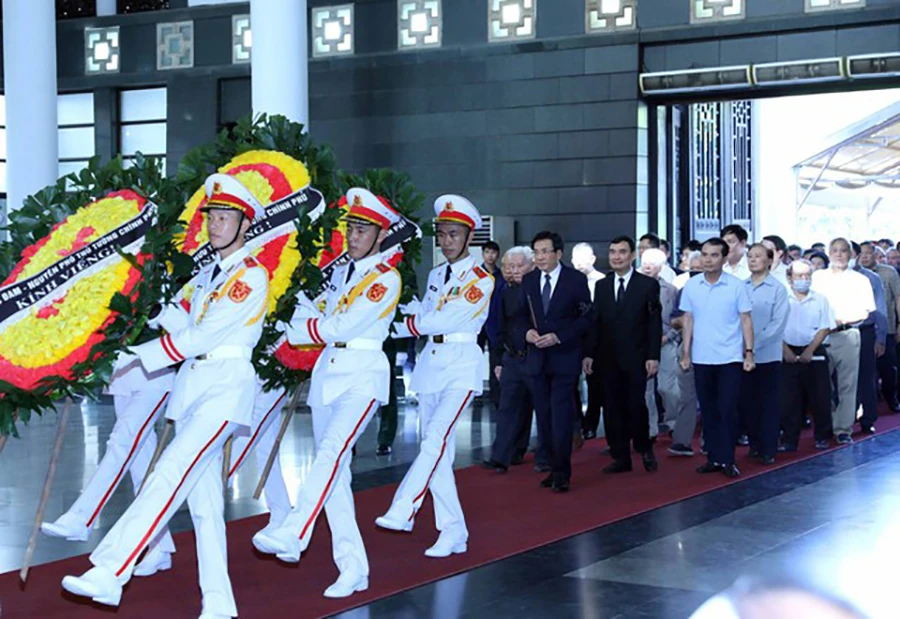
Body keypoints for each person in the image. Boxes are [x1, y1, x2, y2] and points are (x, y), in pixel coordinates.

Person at [61, 173, 270, 619]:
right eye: (211, 215)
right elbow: (183, 321)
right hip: (197, 389)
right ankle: (219, 604)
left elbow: (203, 335)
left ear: (245, 223)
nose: (214, 224)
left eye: (225, 216)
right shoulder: (212, 275)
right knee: (205, 508)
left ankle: (112, 570)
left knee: (169, 472)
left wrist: (133, 357)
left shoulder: (249, 276)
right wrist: (147, 303)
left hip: (223, 390)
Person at [252, 188, 402, 598]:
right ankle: (353, 567)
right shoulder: (341, 273)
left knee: (329, 453)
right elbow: (321, 314)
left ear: (379, 234)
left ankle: (295, 531)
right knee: (334, 476)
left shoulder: (385, 278)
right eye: (350, 228)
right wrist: (296, 303)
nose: (353, 236)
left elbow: (340, 328)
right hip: (328, 376)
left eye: (362, 229)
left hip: (362, 378)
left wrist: (298, 327)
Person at [374, 194, 493, 557]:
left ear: (468, 237)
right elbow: (425, 310)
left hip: (460, 365)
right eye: (441, 234)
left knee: (435, 438)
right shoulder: (437, 274)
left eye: (453, 234)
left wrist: (406, 323)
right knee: (438, 453)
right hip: (431, 366)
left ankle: (403, 507)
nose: (446, 241)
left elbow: (441, 319)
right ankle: (453, 530)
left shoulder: (480, 279)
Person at [42, 355, 176, 577]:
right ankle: (159, 545)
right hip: (121, 376)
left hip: (155, 376)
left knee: (120, 444)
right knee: (141, 467)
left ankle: (81, 517)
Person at [521, 231, 592, 493]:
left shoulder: (575, 280)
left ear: (558, 254)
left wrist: (558, 336)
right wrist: (526, 333)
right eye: (536, 252)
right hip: (537, 360)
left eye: (544, 251)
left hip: (564, 358)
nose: (539, 257)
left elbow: (586, 318)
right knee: (545, 417)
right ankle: (551, 466)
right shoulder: (528, 281)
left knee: (561, 416)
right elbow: (519, 318)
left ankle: (562, 473)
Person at [584, 236, 661, 474]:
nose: (617, 256)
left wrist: (652, 356)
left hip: (637, 357)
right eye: (613, 252)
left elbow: (653, 323)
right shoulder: (602, 285)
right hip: (607, 359)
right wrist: (589, 354)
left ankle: (644, 447)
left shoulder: (647, 285)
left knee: (636, 406)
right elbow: (595, 323)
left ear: (632, 256)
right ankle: (620, 456)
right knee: (612, 408)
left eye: (622, 252)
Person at [680, 238, 755, 478]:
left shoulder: (736, 286)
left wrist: (749, 352)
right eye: (704, 254)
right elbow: (687, 320)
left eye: (714, 255)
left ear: (724, 259)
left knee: (727, 409)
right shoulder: (692, 286)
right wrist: (685, 353)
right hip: (702, 358)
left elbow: (746, 320)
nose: (708, 259)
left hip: (730, 358)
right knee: (709, 411)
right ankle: (713, 457)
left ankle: (727, 459)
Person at [483, 246, 545, 471]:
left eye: (520, 266)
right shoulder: (506, 291)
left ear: (533, 266)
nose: (514, 271)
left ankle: (545, 457)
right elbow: (501, 327)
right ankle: (501, 456)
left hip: (538, 357)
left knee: (542, 409)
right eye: (509, 266)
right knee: (507, 408)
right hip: (512, 358)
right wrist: (499, 360)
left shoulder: (541, 290)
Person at [811, 238, 875, 444]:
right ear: (829, 254)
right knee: (821, 385)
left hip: (848, 333)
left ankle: (843, 429)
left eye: (843, 251)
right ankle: (826, 425)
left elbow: (865, 312)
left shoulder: (860, 280)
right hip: (820, 335)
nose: (839, 254)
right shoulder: (818, 277)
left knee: (848, 384)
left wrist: (841, 320)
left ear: (851, 254)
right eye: (835, 251)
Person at [739, 244, 789, 464]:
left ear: (769, 260)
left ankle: (769, 448)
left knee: (768, 404)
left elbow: (778, 324)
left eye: (757, 256)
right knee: (747, 404)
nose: (752, 260)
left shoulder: (778, 289)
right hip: (742, 356)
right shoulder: (740, 287)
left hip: (767, 356)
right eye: (749, 256)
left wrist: (752, 345)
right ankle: (755, 444)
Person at [781, 259, 834, 451]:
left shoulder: (820, 299)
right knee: (788, 400)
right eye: (799, 276)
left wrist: (810, 350)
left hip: (814, 352)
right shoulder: (782, 299)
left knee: (820, 397)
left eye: (807, 276)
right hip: (787, 352)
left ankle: (822, 436)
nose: (803, 280)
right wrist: (785, 350)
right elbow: (774, 327)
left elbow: (825, 327)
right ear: (789, 278)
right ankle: (789, 439)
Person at [640, 248, 680, 437]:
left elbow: (679, 321)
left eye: (652, 263)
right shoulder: (634, 287)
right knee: (646, 390)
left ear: (661, 267)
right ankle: (650, 429)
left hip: (666, 342)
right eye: (645, 262)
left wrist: (668, 337)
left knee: (666, 387)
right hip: (642, 345)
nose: (647, 267)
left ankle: (673, 422)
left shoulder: (671, 291)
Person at [859, 241, 900, 412]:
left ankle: (891, 398)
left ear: (876, 254)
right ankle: (869, 406)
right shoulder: (855, 276)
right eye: (862, 253)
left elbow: (898, 298)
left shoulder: (888, 272)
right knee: (867, 371)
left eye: (869, 253)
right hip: (863, 329)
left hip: (887, 327)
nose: (865, 257)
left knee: (887, 368)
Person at [851, 241, 887, 433]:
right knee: (843, 379)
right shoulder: (828, 278)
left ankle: (868, 418)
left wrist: (881, 337)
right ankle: (845, 418)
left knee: (867, 376)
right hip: (839, 332)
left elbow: (880, 309)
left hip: (865, 331)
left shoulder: (871, 278)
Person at [571, 242, 605, 439]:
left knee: (595, 384)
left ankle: (591, 423)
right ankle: (578, 422)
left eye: (584, 259)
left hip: (596, 338)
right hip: (573, 338)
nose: (579, 264)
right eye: (576, 260)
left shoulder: (601, 281)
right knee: (571, 383)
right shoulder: (570, 281)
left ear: (593, 259)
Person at [480, 240, 504, 410]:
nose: (491, 256)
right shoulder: (475, 275)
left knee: (495, 360)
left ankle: (496, 396)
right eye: (488, 252)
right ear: (483, 253)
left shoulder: (501, 276)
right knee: (473, 358)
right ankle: (475, 392)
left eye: (494, 252)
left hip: (495, 322)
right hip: (477, 322)